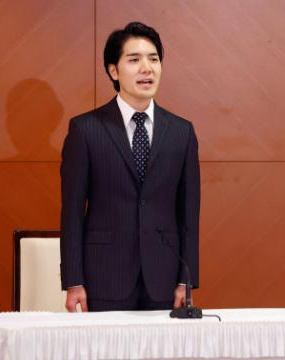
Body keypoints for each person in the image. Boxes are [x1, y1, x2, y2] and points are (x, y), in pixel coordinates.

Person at [60, 22, 200, 312]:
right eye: (134, 60)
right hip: (103, 278)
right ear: (114, 70)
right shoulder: (85, 130)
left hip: (164, 278)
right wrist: (74, 281)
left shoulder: (181, 132)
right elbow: (72, 212)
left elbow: (189, 213)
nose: (146, 68)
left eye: (154, 59)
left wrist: (186, 281)